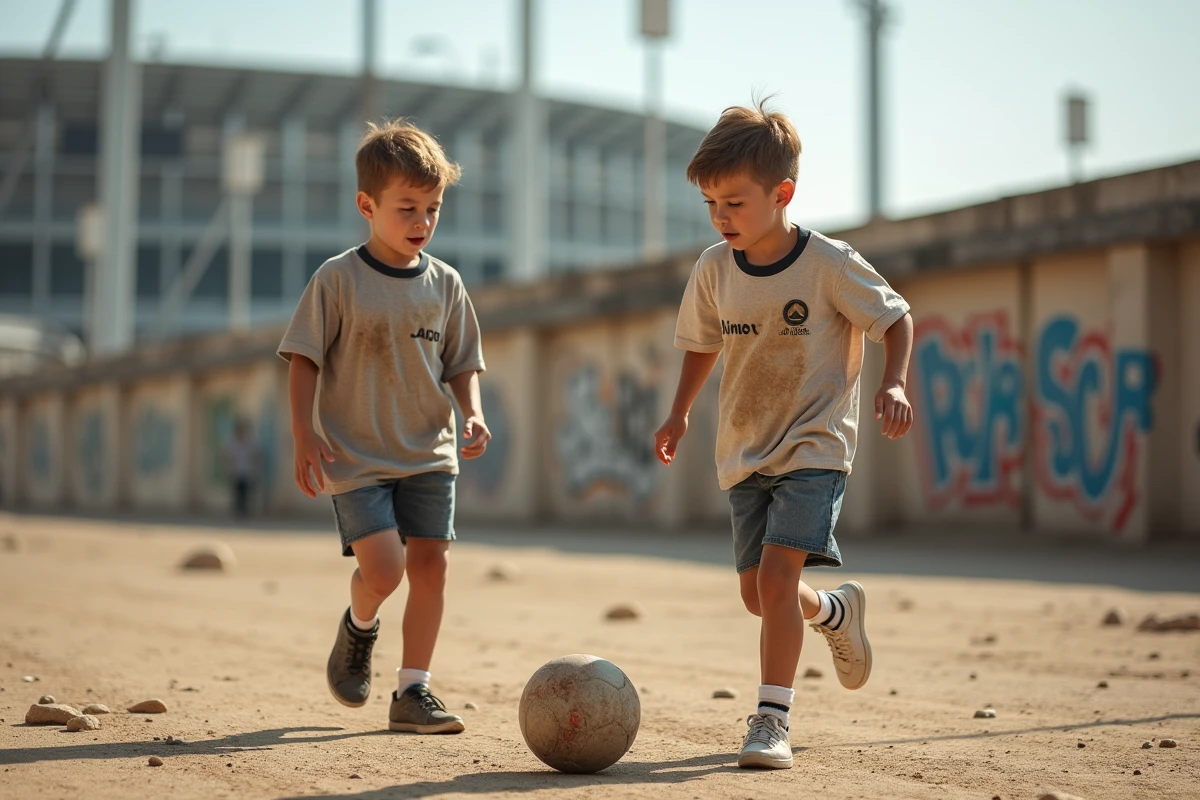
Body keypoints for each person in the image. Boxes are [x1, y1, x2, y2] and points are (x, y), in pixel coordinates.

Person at [653, 100, 914, 769]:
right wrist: (680, 410)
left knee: (773, 580)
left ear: (782, 194)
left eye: (734, 202)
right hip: (745, 452)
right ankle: (832, 612)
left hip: (815, 447)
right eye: (711, 203)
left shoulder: (828, 261)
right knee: (758, 595)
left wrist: (893, 383)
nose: (721, 216)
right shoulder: (715, 268)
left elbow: (894, 318)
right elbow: (701, 344)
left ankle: (771, 720)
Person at [278, 119, 490, 735]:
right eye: (406, 208)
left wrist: (472, 412)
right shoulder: (337, 279)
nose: (421, 220)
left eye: (432, 208)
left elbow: (463, 364)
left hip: (430, 452)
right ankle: (358, 627)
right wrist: (302, 432)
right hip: (356, 457)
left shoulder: (446, 284)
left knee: (431, 568)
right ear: (366, 206)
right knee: (385, 571)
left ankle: (412, 691)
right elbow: (303, 359)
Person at [223, 417, 259, 517]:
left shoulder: (249, 442)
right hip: (236, 472)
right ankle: (237, 512)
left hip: (247, 472)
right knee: (236, 493)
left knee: (245, 493)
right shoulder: (232, 443)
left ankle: (245, 512)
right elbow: (228, 456)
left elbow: (255, 455)